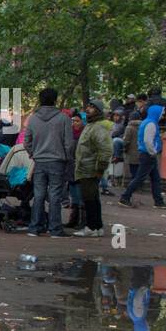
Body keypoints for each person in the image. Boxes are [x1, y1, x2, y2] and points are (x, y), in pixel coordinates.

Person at [22, 88, 75, 237]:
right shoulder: (63, 118)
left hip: (39, 161)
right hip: (57, 161)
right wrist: (65, 157)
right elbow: (69, 143)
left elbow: (27, 142)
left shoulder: (33, 118)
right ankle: (55, 229)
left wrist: (34, 154)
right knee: (55, 194)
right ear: (55, 100)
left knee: (38, 194)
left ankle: (34, 227)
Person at [74, 101, 114, 236]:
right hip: (86, 167)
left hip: (90, 168)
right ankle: (97, 227)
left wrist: (100, 169)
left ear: (98, 110)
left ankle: (91, 227)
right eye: (88, 106)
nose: (88, 109)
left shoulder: (99, 127)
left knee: (90, 198)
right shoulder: (91, 125)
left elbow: (105, 150)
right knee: (92, 197)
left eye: (92, 107)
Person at [117, 101, 166, 209]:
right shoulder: (151, 124)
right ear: (156, 113)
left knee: (155, 179)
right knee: (140, 178)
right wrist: (153, 152)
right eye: (162, 113)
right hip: (148, 155)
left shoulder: (147, 122)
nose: (163, 116)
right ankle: (125, 197)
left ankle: (158, 201)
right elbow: (148, 141)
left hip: (146, 154)